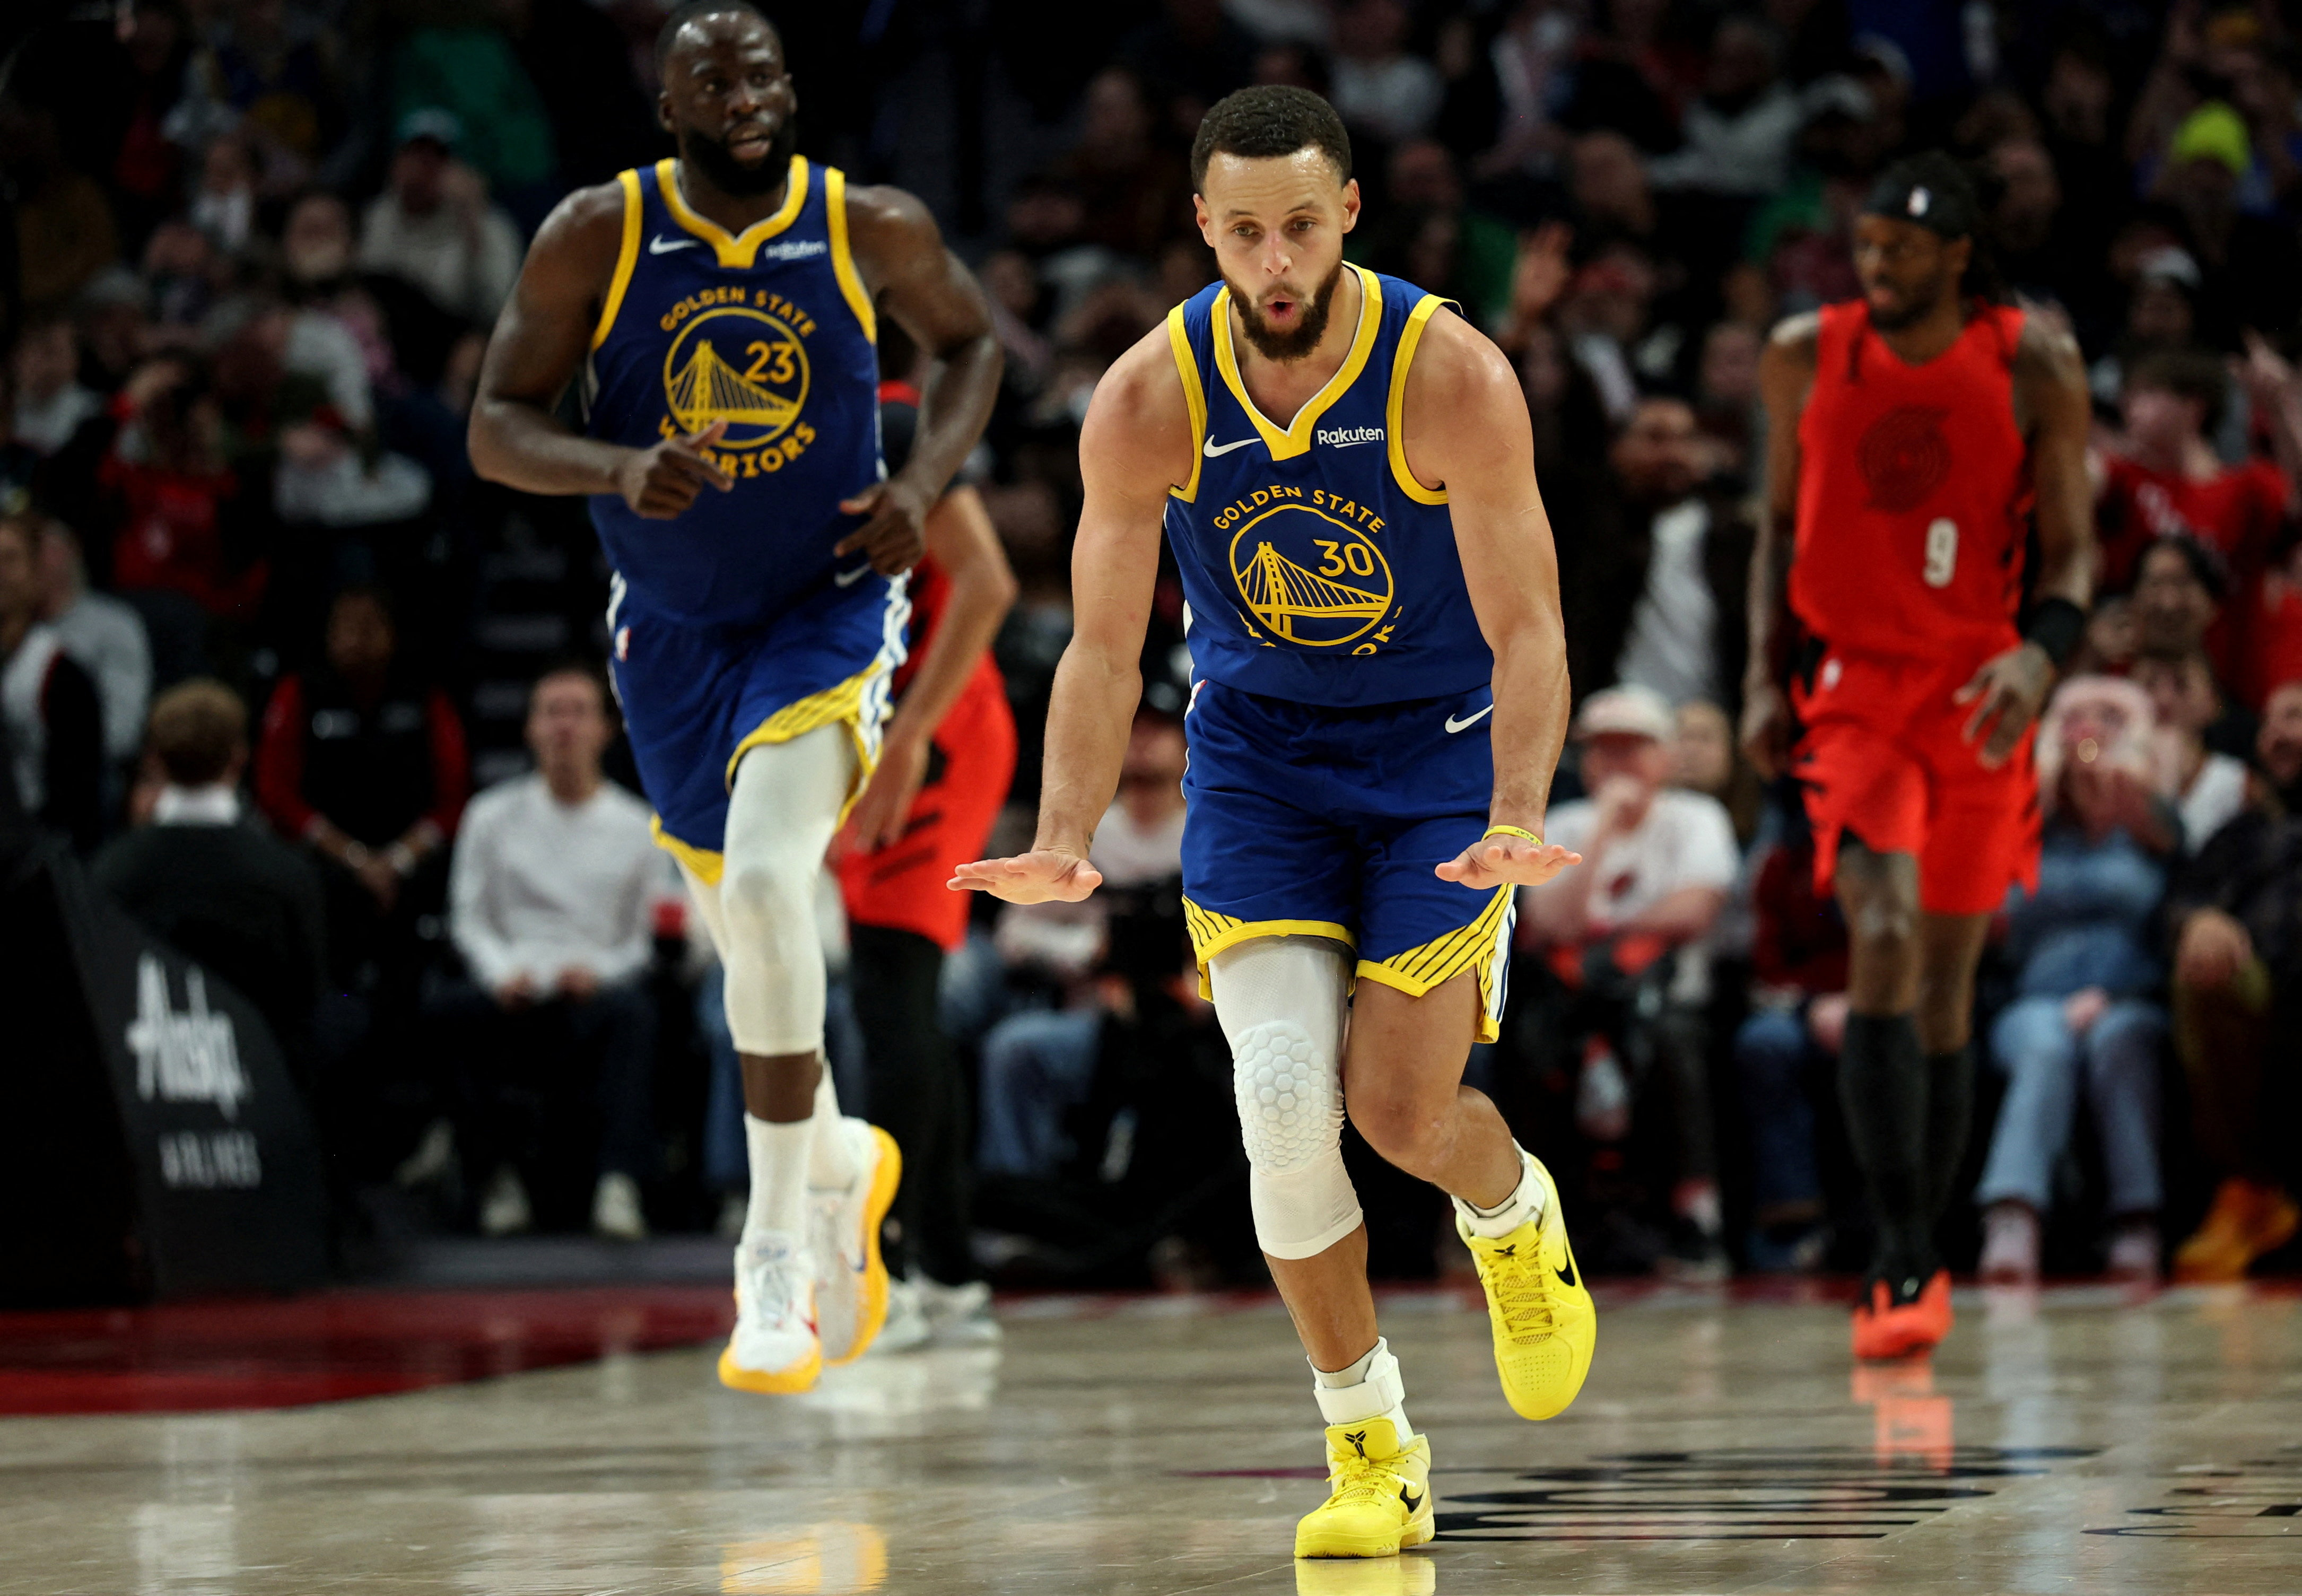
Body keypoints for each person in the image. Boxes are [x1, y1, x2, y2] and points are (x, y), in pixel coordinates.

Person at [956, 86, 1593, 1562]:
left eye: (1302, 224)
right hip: (1257, 770)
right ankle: (1370, 1443)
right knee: (1282, 1096)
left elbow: (1530, 627)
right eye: (1244, 231)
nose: (1277, 261)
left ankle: (1508, 1213)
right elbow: (1103, 648)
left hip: (1435, 765)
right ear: (1203, 230)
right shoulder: (1146, 396)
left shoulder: (1453, 375)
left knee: (1399, 1113)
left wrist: (1515, 810)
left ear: (1351, 211)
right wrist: (1060, 830)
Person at [466, 0, 1002, 1392]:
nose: (745, 93)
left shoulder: (864, 223)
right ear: (670, 110)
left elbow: (972, 345)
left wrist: (922, 483)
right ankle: (831, 1160)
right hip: (669, 635)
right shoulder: (598, 230)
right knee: (744, 945)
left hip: (821, 609)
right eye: (711, 78)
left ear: (790, 84)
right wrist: (613, 466)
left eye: (762, 67)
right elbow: (494, 428)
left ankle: (772, 1259)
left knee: (769, 894)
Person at [1742, 152, 2094, 1360]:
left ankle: (1923, 1245)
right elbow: (1776, 528)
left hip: (1981, 691)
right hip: (1852, 690)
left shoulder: (2031, 361)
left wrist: (2043, 656)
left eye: (1902, 248)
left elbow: (2075, 562)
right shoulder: (1806, 352)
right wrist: (1756, 677)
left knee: (1946, 983)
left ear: (1958, 254)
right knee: (1880, 935)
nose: (1877, 265)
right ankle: (1894, 1253)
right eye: (1868, 245)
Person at [834, 378, 1017, 1346]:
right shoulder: (734, 442)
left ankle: (897, 1267)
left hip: (933, 726)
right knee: (894, 1002)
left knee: (891, 994)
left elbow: (987, 582)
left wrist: (907, 738)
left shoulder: (895, 423)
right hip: (855, 734)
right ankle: (949, 1270)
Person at [442, 665, 668, 1241]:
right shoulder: (490, 816)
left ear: (605, 730)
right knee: (452, 1010)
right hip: (514, 982)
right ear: (529, 729)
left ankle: (619, 1184)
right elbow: (469, 917)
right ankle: (494, 1181)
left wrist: (600, 973)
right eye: (551, 711)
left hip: (596, 986)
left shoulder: (638, 826)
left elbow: (644, 937)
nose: (563, 725)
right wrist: (500, 973)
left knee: (635, 1018)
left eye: (577, 711)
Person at [1519, 686, 1738, 1276]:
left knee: (1667, 1041)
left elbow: (1692, 912)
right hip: (1574, 1001)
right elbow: (1547, 923)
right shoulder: (1562, 822)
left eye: (1632, 750)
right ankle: (1545, 1222)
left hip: (1671, 1000)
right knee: (1524, 1044)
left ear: (1664, 758)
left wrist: (1600, 926)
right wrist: (1602, 832)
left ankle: (1697, 1216)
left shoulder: (1697, 818)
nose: (1616, 765)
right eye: (1603, 751)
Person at [1973, 677, 2175, 1285]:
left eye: (2107, 720)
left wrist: (2131, 796)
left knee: (2120, 1037)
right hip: (2035, 1000)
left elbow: (2182, 912)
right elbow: (1984, 922)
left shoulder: (2153, 830)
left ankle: (2136, 1219)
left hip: (2132, 999)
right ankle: (2012, 1214)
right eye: (2072, 719)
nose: (2086, 734)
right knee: (2044, 1042)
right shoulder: (2025, 825)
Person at [92, 679, 326, 1073]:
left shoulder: (111, 872)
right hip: (261, 1079)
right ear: (239, 758)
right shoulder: (287, 874)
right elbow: (307, 1000)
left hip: (148, 1080)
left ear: (155, 760)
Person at [2163, 678, 2302, 1281]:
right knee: (2207, 970)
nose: (2276, 734)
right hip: (2263, 996)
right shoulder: (2238, 835)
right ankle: (2250, 1191)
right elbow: (2175, 903)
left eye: (2295, 717)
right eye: (2269, 722)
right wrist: (2199, 923)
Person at [0, 514, 104, 853]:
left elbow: (79, 799)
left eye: (10, 559)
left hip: (32, 849)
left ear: (34, 574)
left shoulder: (61, 674)